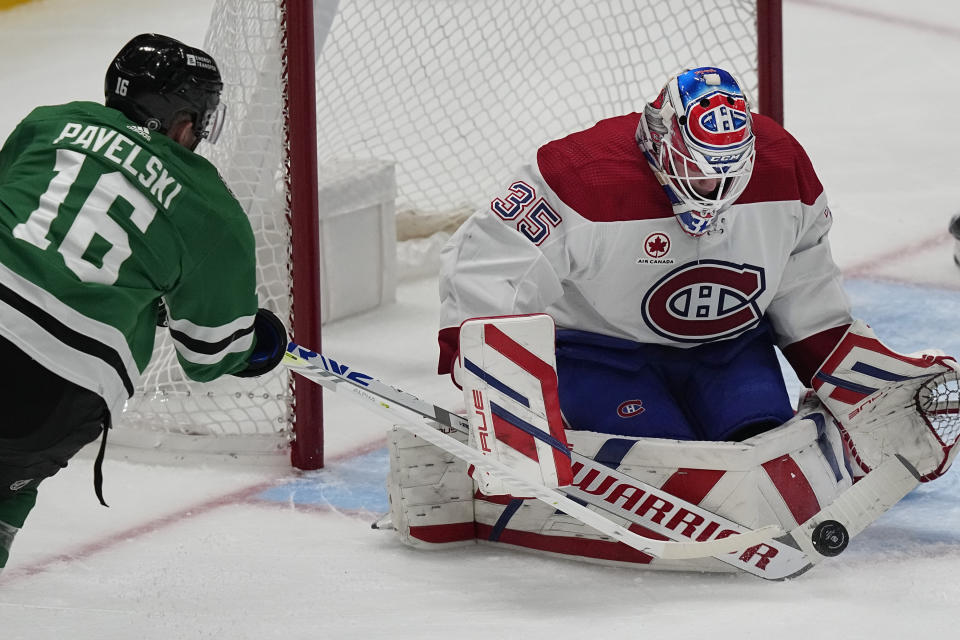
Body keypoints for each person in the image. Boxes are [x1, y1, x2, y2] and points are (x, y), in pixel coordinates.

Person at [384, 66, 959, 572]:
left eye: (725, 176)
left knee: (759, 447)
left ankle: (848, 452)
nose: (713, 193)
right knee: (663, 465)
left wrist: (868, 391)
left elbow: (808, 298)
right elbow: (481, 266)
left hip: (728, 347)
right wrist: (504, 403)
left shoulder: (784, 169)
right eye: (700, 173)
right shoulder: (576, 176)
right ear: (660, 142)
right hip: (599, 352)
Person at [0, 33, 286, 573]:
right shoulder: (213, 209)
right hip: (54, 388)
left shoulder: (48, 122)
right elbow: (207, 357)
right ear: (184, 120)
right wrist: (256, 345)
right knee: (7, 485)